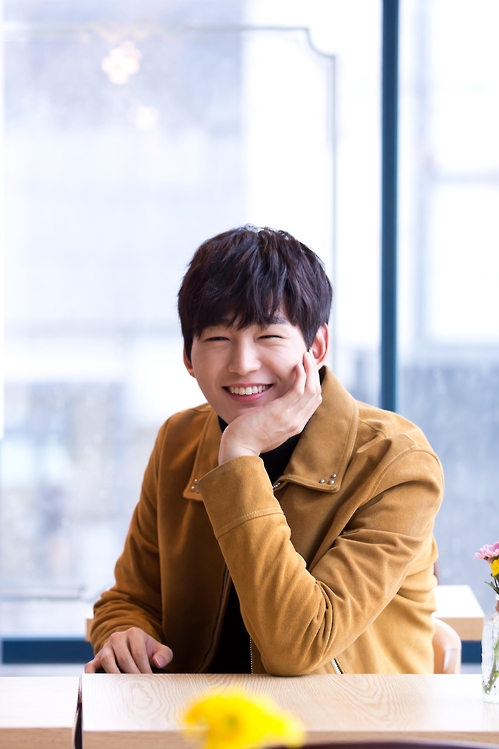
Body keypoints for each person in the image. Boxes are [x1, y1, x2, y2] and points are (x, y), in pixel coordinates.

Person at [86, 225, 443, 676]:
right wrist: (125, 632)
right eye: (218, 339)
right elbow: (130, 597)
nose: (242, 364)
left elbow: (299, 645)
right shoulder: (178, 439)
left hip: (348, 716)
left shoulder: (396, 461)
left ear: (316, 346)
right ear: (189, 356)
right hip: (199, 713)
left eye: (269, 337)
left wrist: (239, 457)